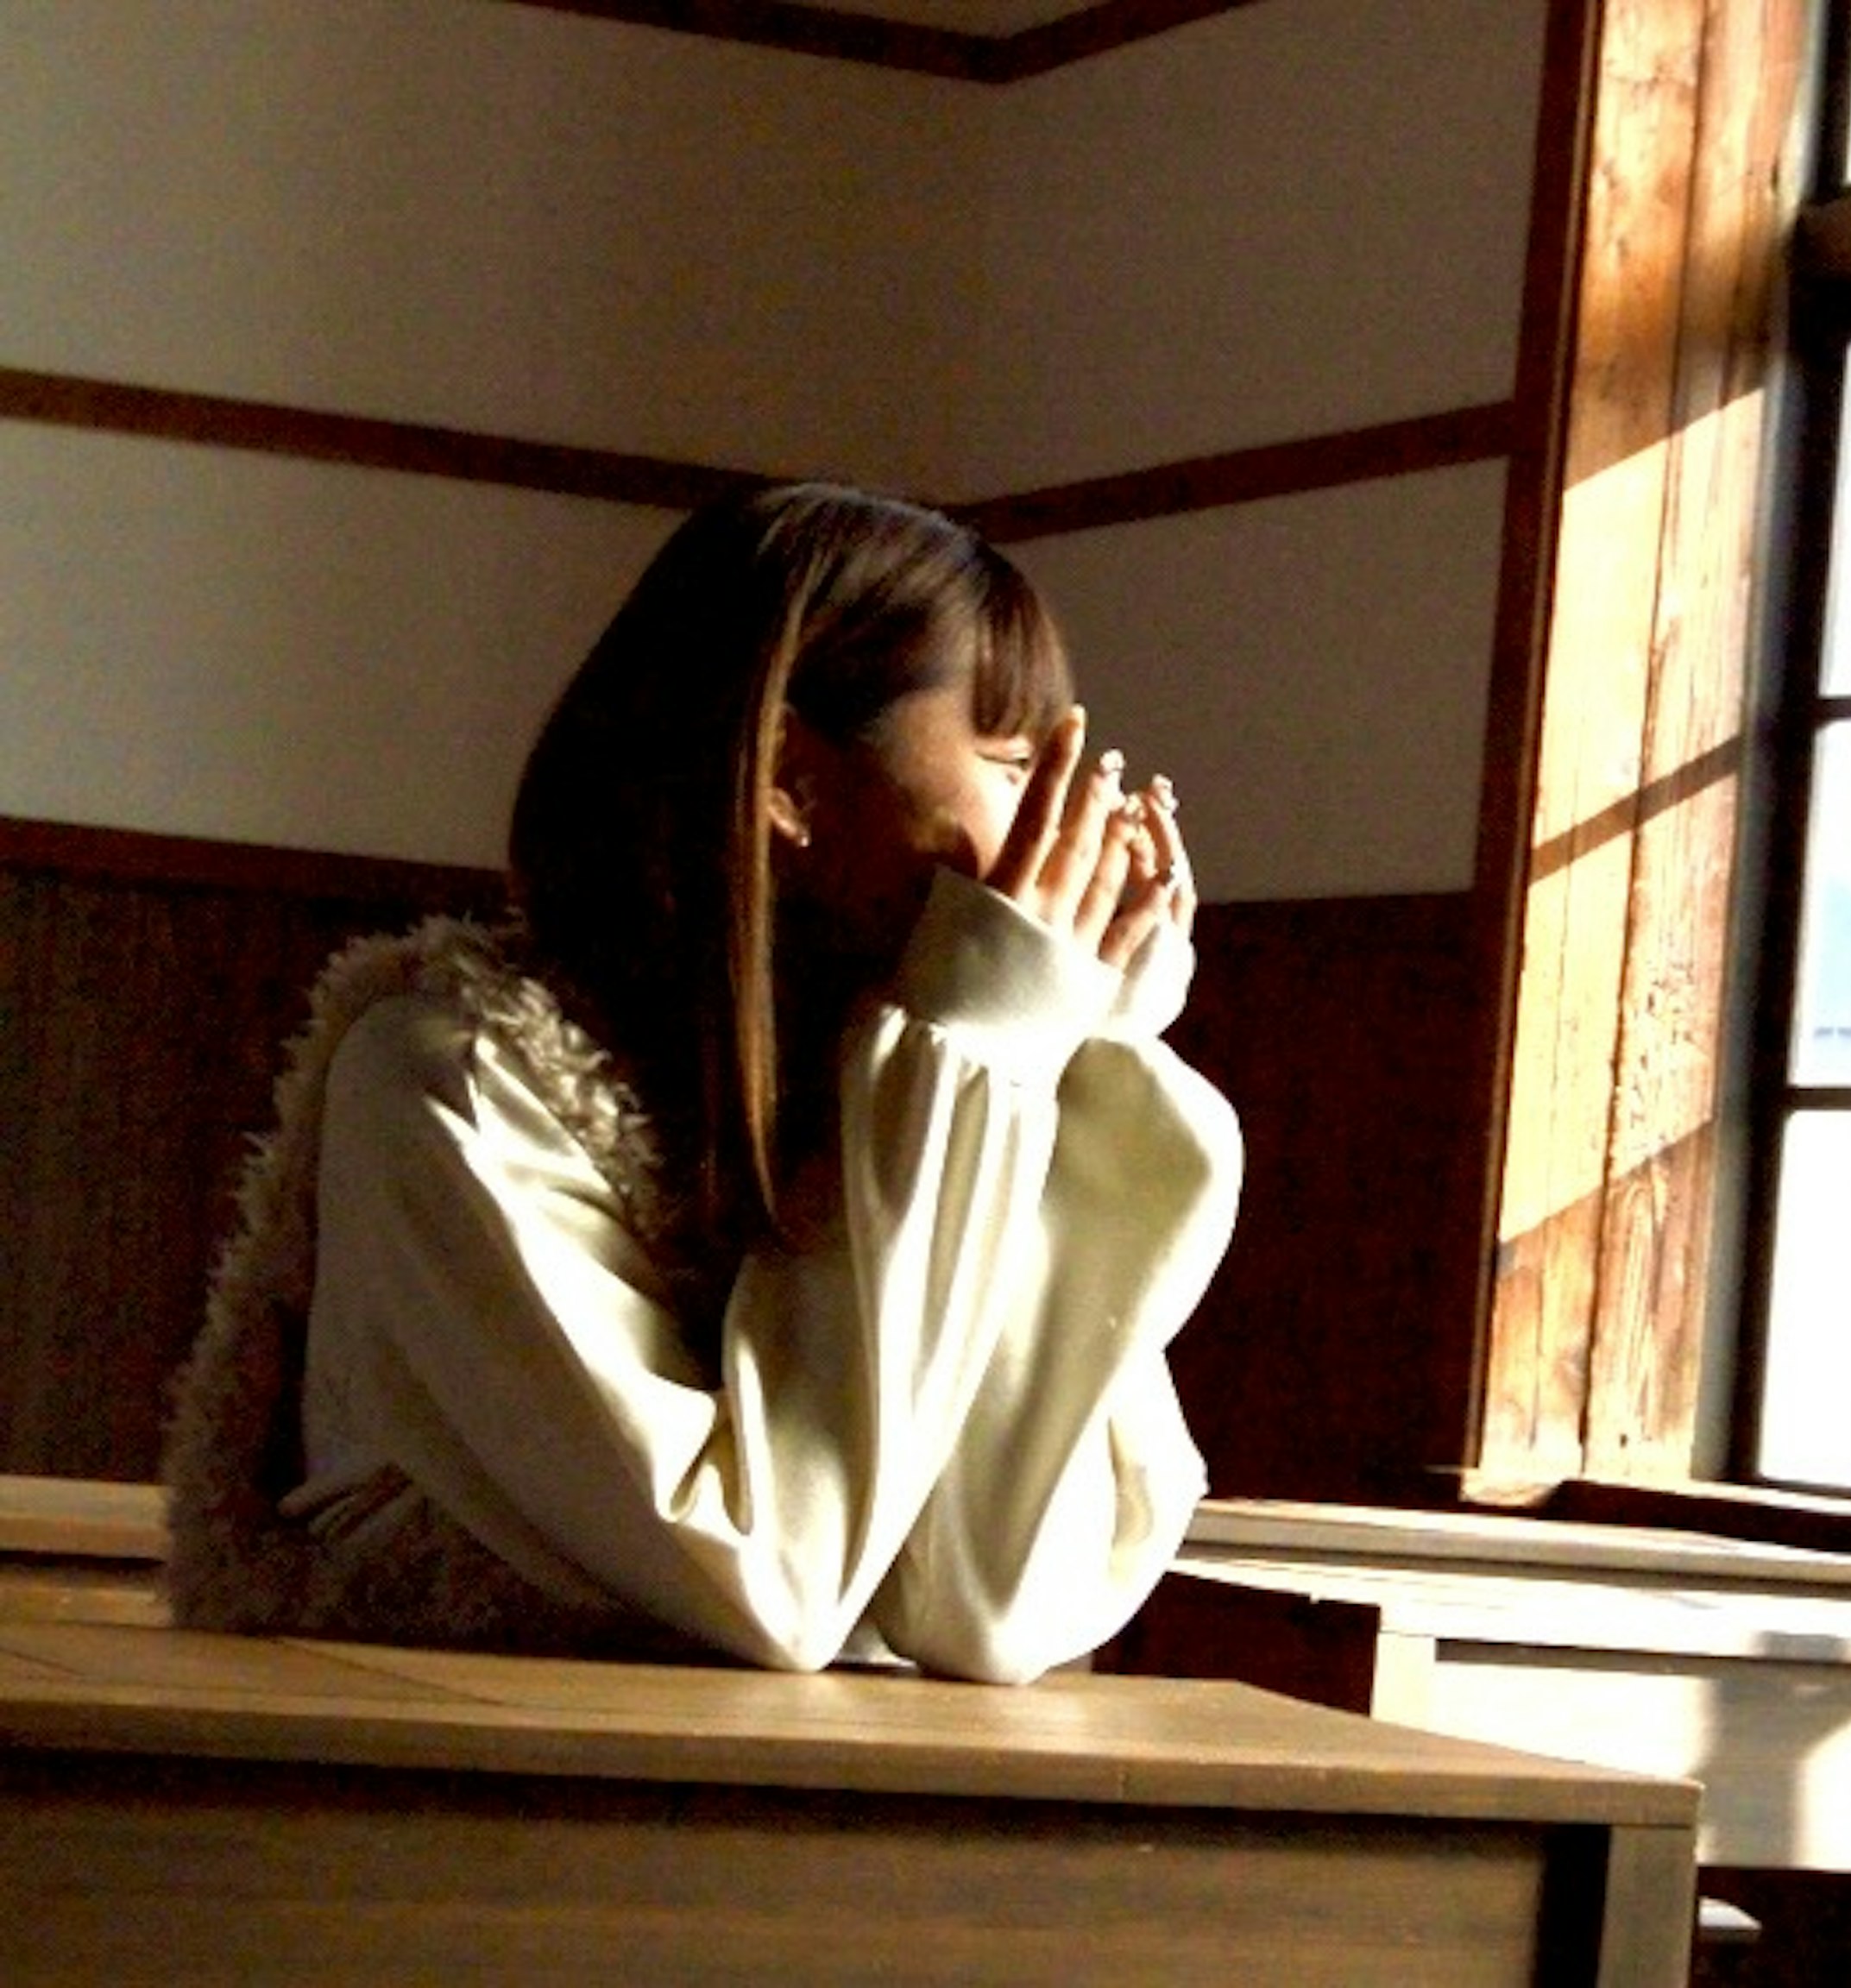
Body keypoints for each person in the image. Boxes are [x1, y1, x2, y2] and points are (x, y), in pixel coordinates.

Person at [161, 481, 1242, 1683]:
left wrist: (1071, 1059)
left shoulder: (879, 1087)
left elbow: (988, 1606)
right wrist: (974, 1050)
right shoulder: (454, 1082)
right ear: (787, 775)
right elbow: (773, 1578)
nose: (1073, 820)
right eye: (1012, 760)